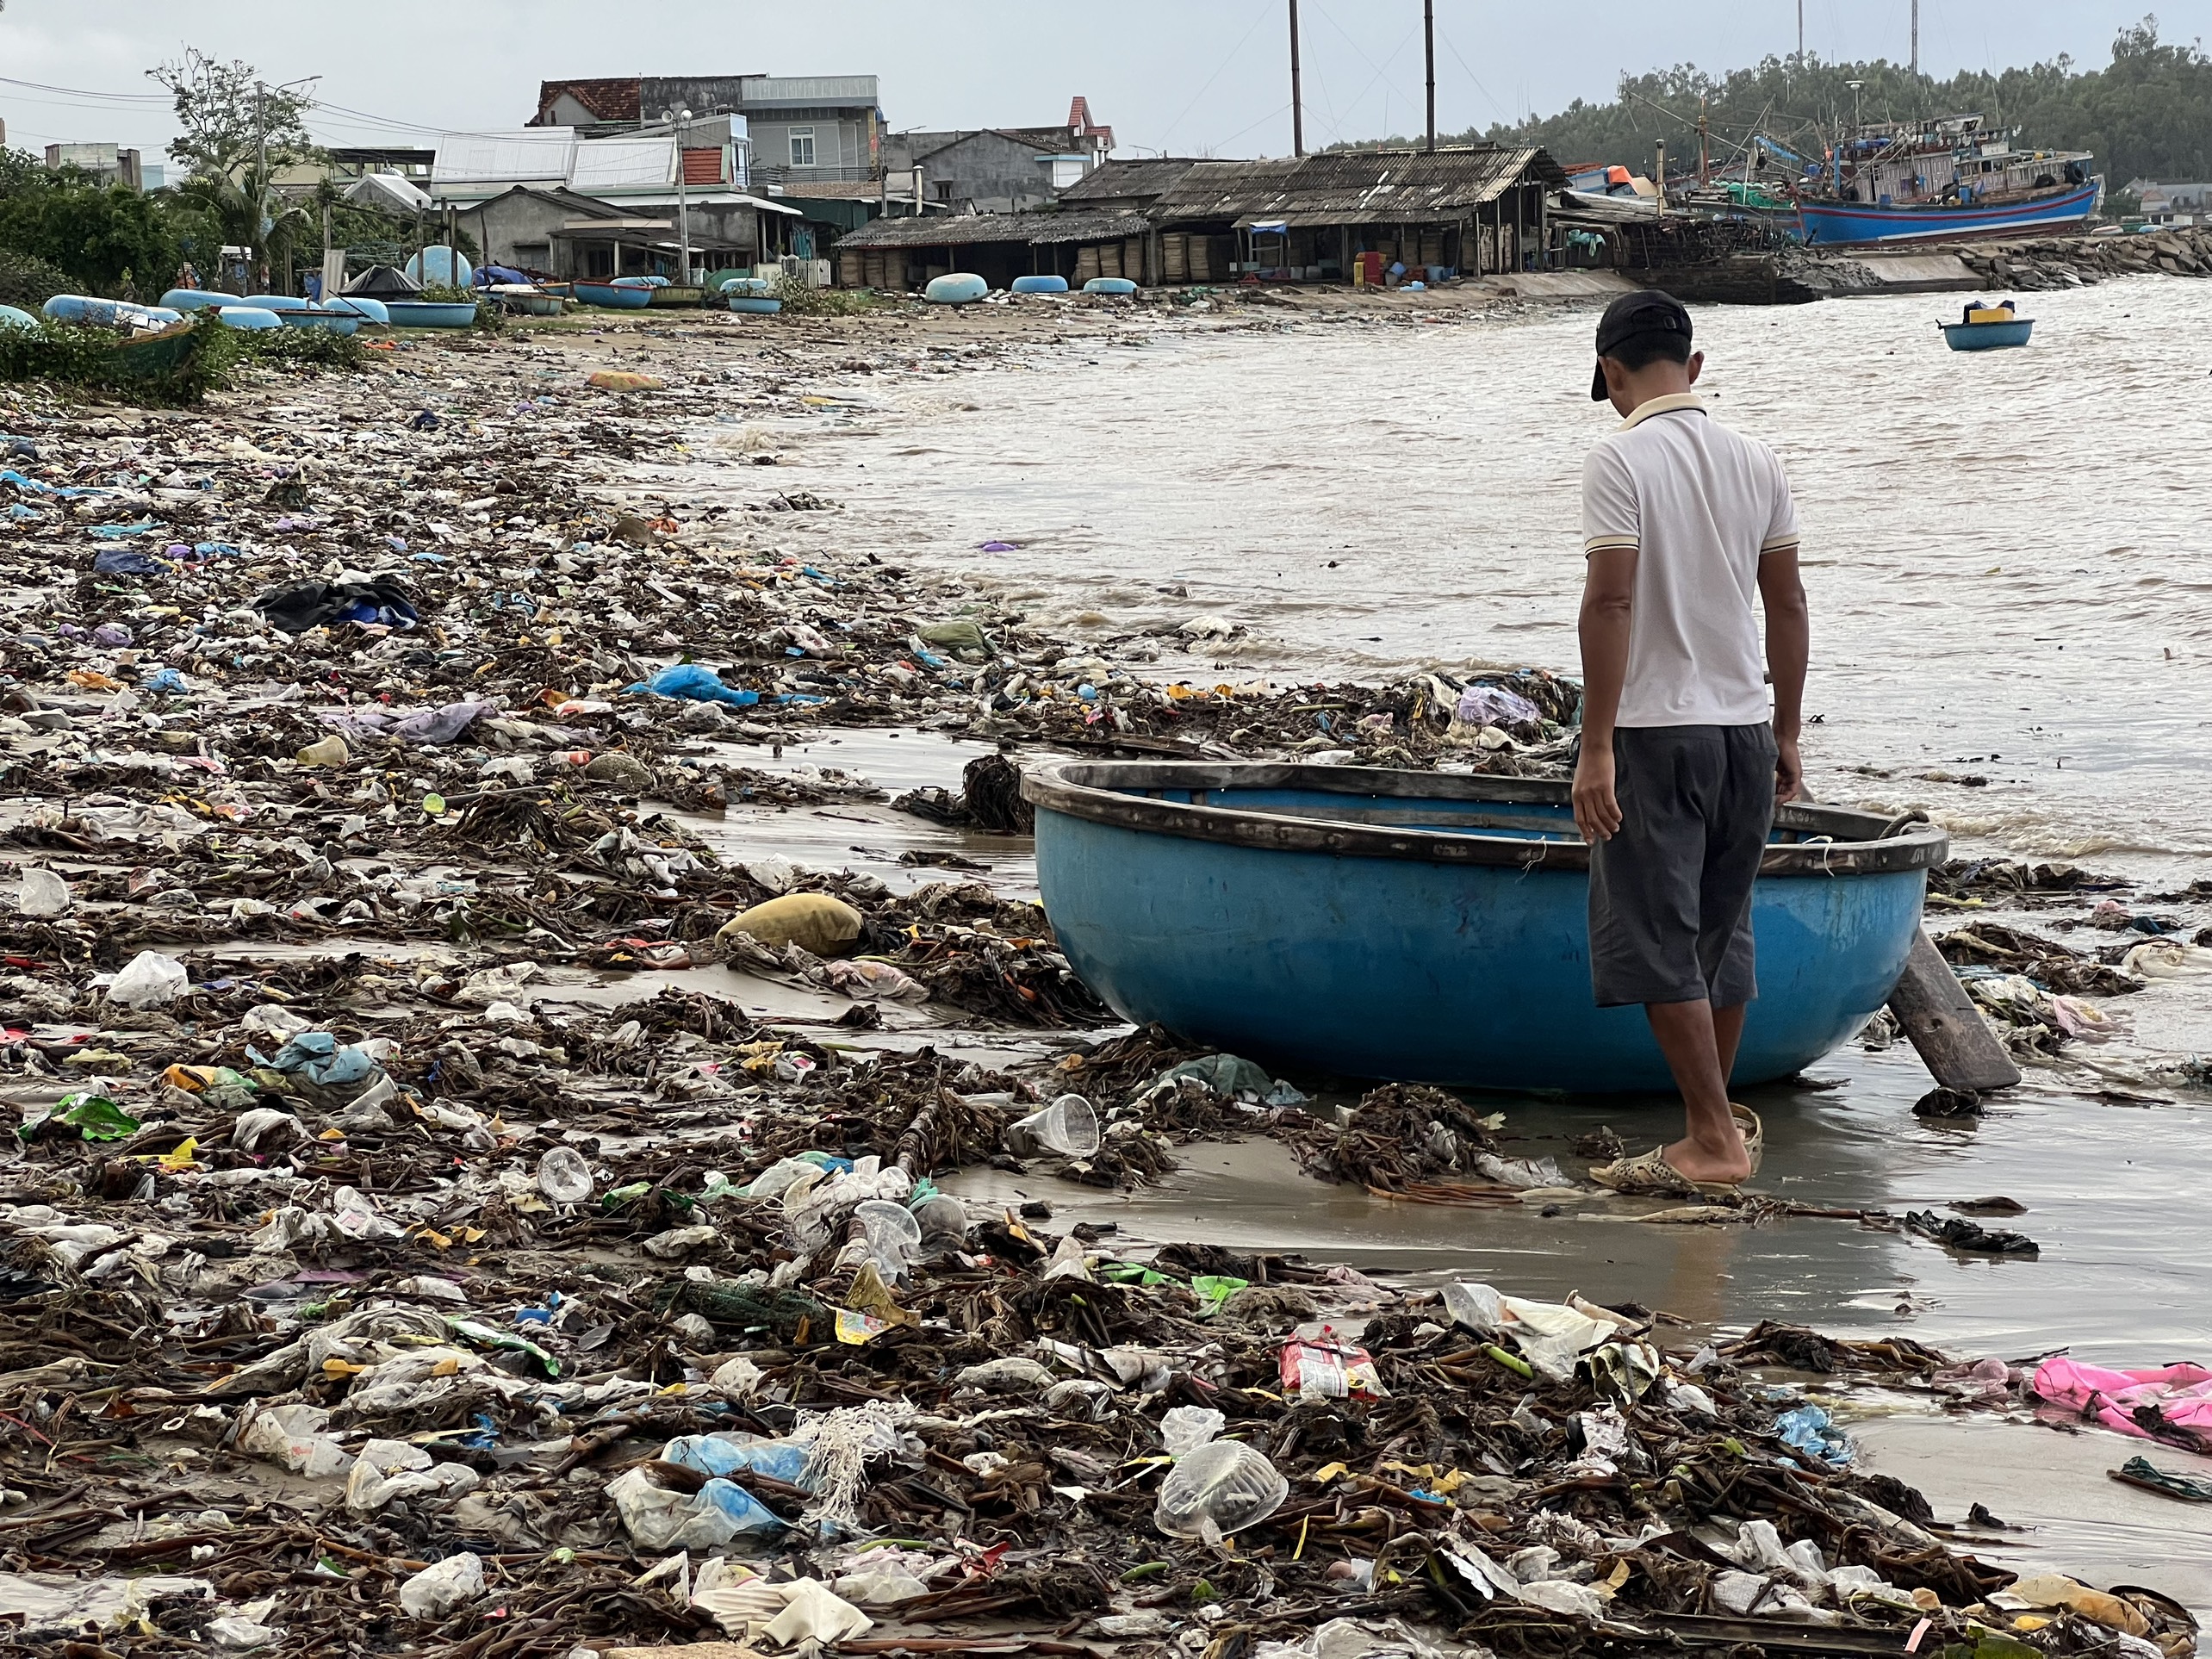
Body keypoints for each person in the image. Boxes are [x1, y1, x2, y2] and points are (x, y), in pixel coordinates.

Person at [1571, 290, 1810, 1196]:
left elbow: (1612, 601)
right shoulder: (1759, 459)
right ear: (1695, 367)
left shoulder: (1619, 458)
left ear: (1613, 374)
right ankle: (1711, 1124)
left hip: (1656, 731)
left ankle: (1713, 1136)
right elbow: (1786, 603)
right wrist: (1787, 729)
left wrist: (1595, 747)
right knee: (1722, 927)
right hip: (1745, 727)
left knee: (1657, 934)